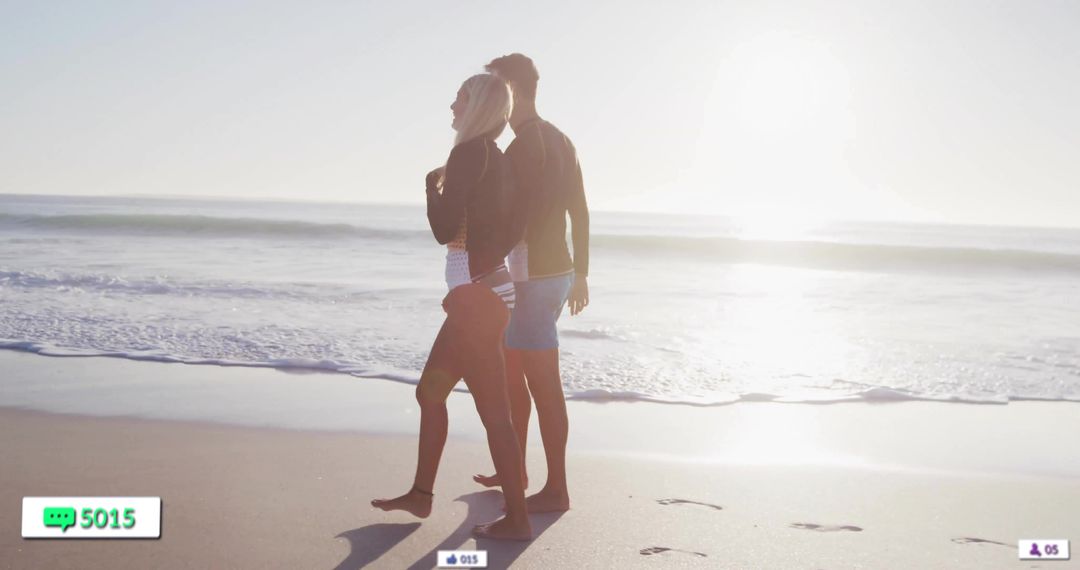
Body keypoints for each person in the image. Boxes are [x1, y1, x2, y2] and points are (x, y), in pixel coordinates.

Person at [371, 73, 532, 541]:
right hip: (484, 289)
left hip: (477, 295)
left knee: (493, 410)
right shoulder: (497, 158)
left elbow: (444, 231)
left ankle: (518, 519)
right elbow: (513, 225)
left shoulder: (468, 154)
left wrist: (430, 186)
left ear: (477, 105)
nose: (452, 107)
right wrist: (476, 283)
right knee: (430, 392)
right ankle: (421, 494)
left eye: (459, 99)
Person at [472, 54, 590, 514]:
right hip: (553, 275)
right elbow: (579, 211)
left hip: (531, 279)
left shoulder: (524, 147)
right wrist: (581, 272)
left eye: (496, 90)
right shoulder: (561, 139)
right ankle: (514, 471)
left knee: (541, 385)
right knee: (515, 377)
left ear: (514, 91)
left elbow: (509, 218)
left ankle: (556, 488)